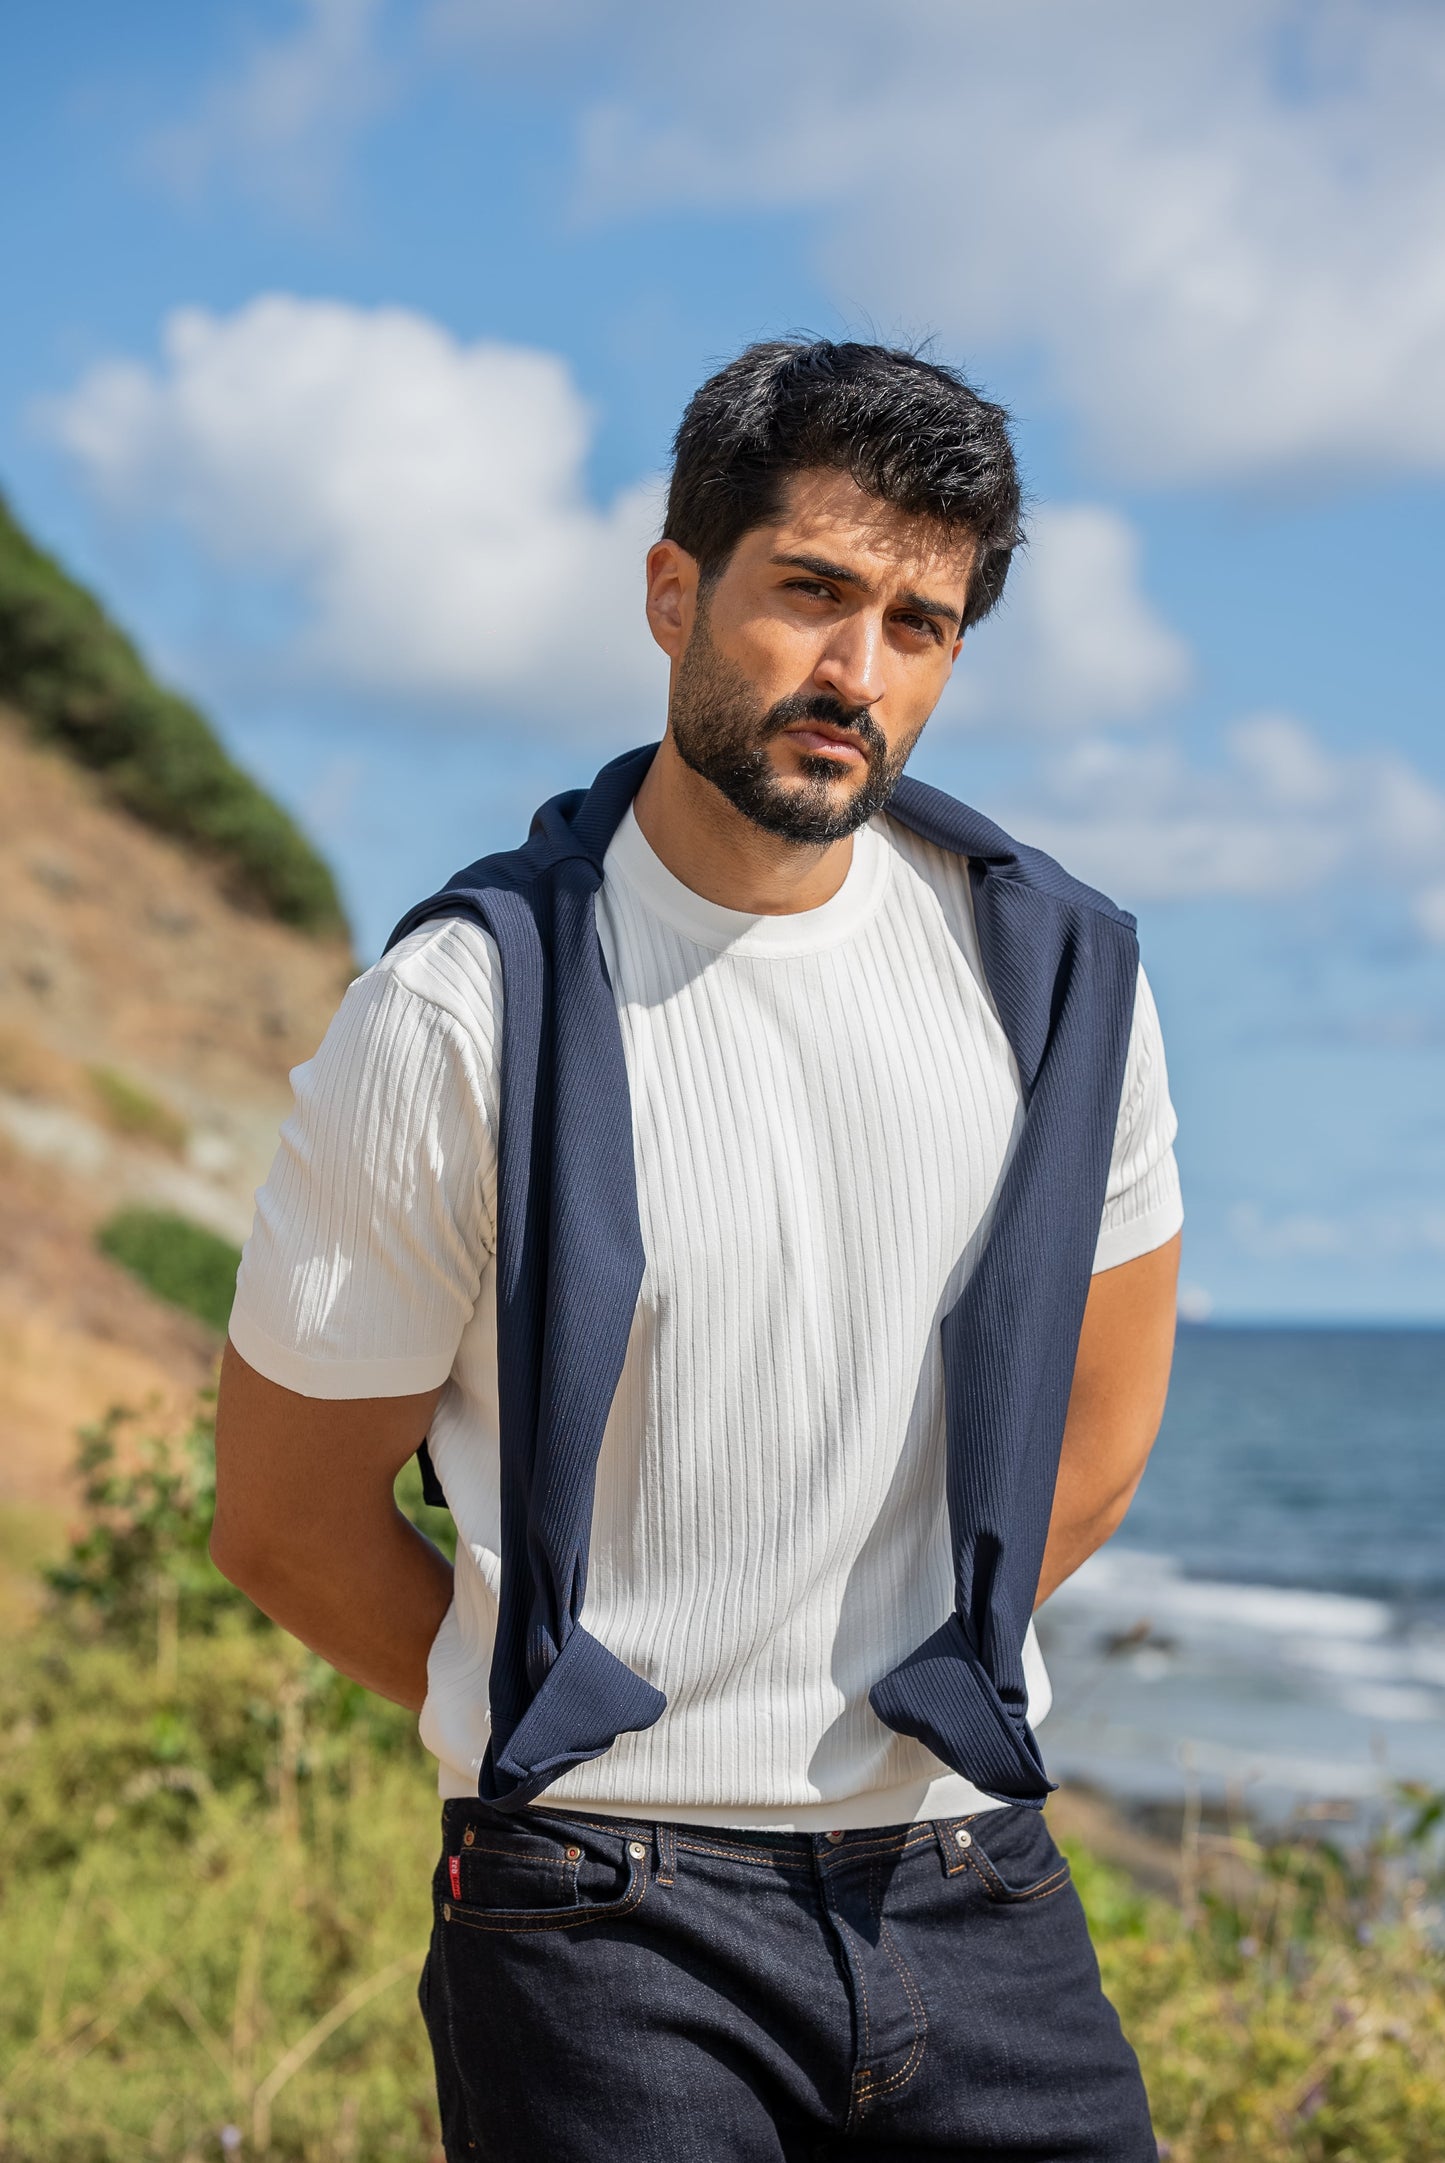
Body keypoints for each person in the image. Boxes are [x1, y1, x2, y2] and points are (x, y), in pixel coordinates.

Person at [213, 338, 1182, 2161]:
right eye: (808, 592)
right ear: (674, 592)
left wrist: (915, 1674)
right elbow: (281, 1519)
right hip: (600, 1915)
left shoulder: (1061, 984)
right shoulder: (459, 1017)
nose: (855, 671)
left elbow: (1103, 1432)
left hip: (971, 1883)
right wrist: (581, 1724)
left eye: (919, 622)